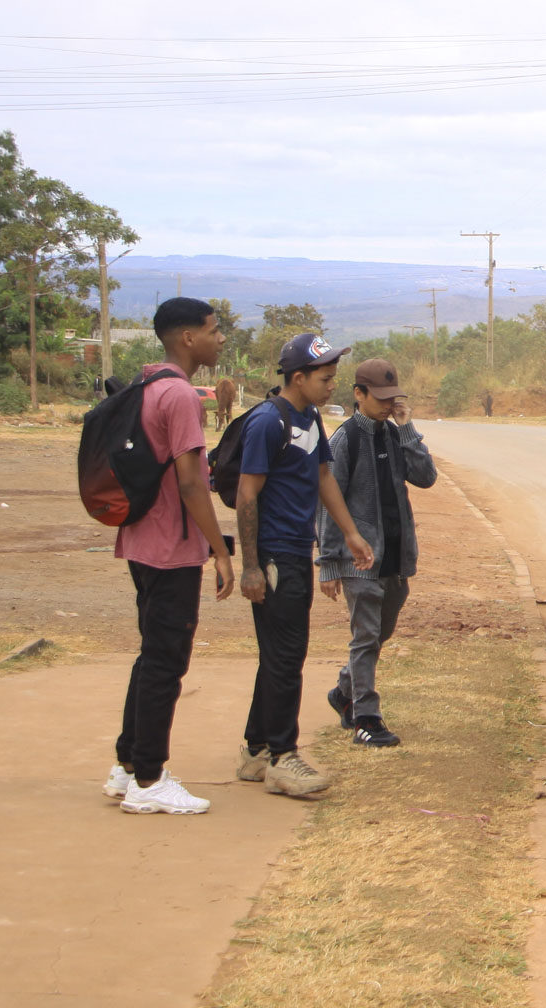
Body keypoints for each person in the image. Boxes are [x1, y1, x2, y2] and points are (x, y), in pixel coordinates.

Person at [103, 298, 237, 815]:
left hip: (141, 539)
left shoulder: (146, 384)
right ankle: (149, 780)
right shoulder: (181, 397)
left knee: (151, 656)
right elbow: (190, 481)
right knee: (166, 662)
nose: (220, 338)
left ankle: (128, 765)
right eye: (214, 329)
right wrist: (217, 550)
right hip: (171, 547)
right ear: (187, 338)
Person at [234, 333, 373, 797]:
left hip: (297, 549)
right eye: (325, 377)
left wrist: (350, 533)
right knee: (286, 657)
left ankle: (256, 751)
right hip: (275, 556)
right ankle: (282, 757)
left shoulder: (309, 418)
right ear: (298, 377)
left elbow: (321, 475)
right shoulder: (267, 424)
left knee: (278, 655)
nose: (332, 385)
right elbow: (246, 494)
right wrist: (251, 566)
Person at [319, 359, 436, 748]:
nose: (387, 405)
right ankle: (366, 718)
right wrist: (329, 563)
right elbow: (327, 502)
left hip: (396, 559)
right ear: (358, 394)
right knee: (366, 635)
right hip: (360, 560)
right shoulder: (344, 440)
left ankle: (343, 691)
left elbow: (425, 477)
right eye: (380, 399)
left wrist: (407, 429)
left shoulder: (394, 434)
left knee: (380, 633)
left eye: (393, 399)